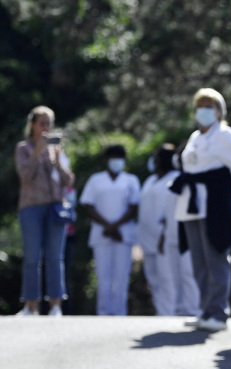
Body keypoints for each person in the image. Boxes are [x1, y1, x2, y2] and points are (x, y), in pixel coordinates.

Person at [171, 88, 231, 332]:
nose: (203, 110)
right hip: (191, 205)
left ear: (218, 110)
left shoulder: (227, 136)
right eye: (199, 106)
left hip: (215, 204)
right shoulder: (195, 136)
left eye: (208, 105)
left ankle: (218, 312)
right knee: (198, 260)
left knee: (215, 258)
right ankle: (205, 308)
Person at [15, 106, 74, 317]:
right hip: (31, 208)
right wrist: (37, 152)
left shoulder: (56, 149)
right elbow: (25, 176)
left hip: (55, 209)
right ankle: (31, 305)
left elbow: (68, 181)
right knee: (32, 256)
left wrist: (58, 161)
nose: (46, 128)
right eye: (42, 123)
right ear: (33, 125)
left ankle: (56, 304)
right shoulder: (23, 148)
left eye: (48, 123)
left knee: (55, 256)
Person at [139, 144, 200, 316]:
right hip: (148, 238)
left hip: (170, 237)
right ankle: (164, 311)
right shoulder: (150, 180)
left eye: (158, 157)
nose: (154, 161)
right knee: (155, 278)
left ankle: (181, 311)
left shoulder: (175, 178)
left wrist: (163, 234)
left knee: (173, 277)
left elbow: (170, 213)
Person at [79, 145, 140, 316]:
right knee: (103, 276)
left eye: (119, 157)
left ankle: (120, 313)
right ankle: (104, 312)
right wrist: (107, 225)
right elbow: (88, 205)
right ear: (106, 160)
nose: (116, 161)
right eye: (113, 157)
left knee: (122, 276)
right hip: (101, 233)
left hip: (124, 234)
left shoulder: (131, 180)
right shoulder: (96, 180)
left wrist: (116, 226)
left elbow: (134, 206)